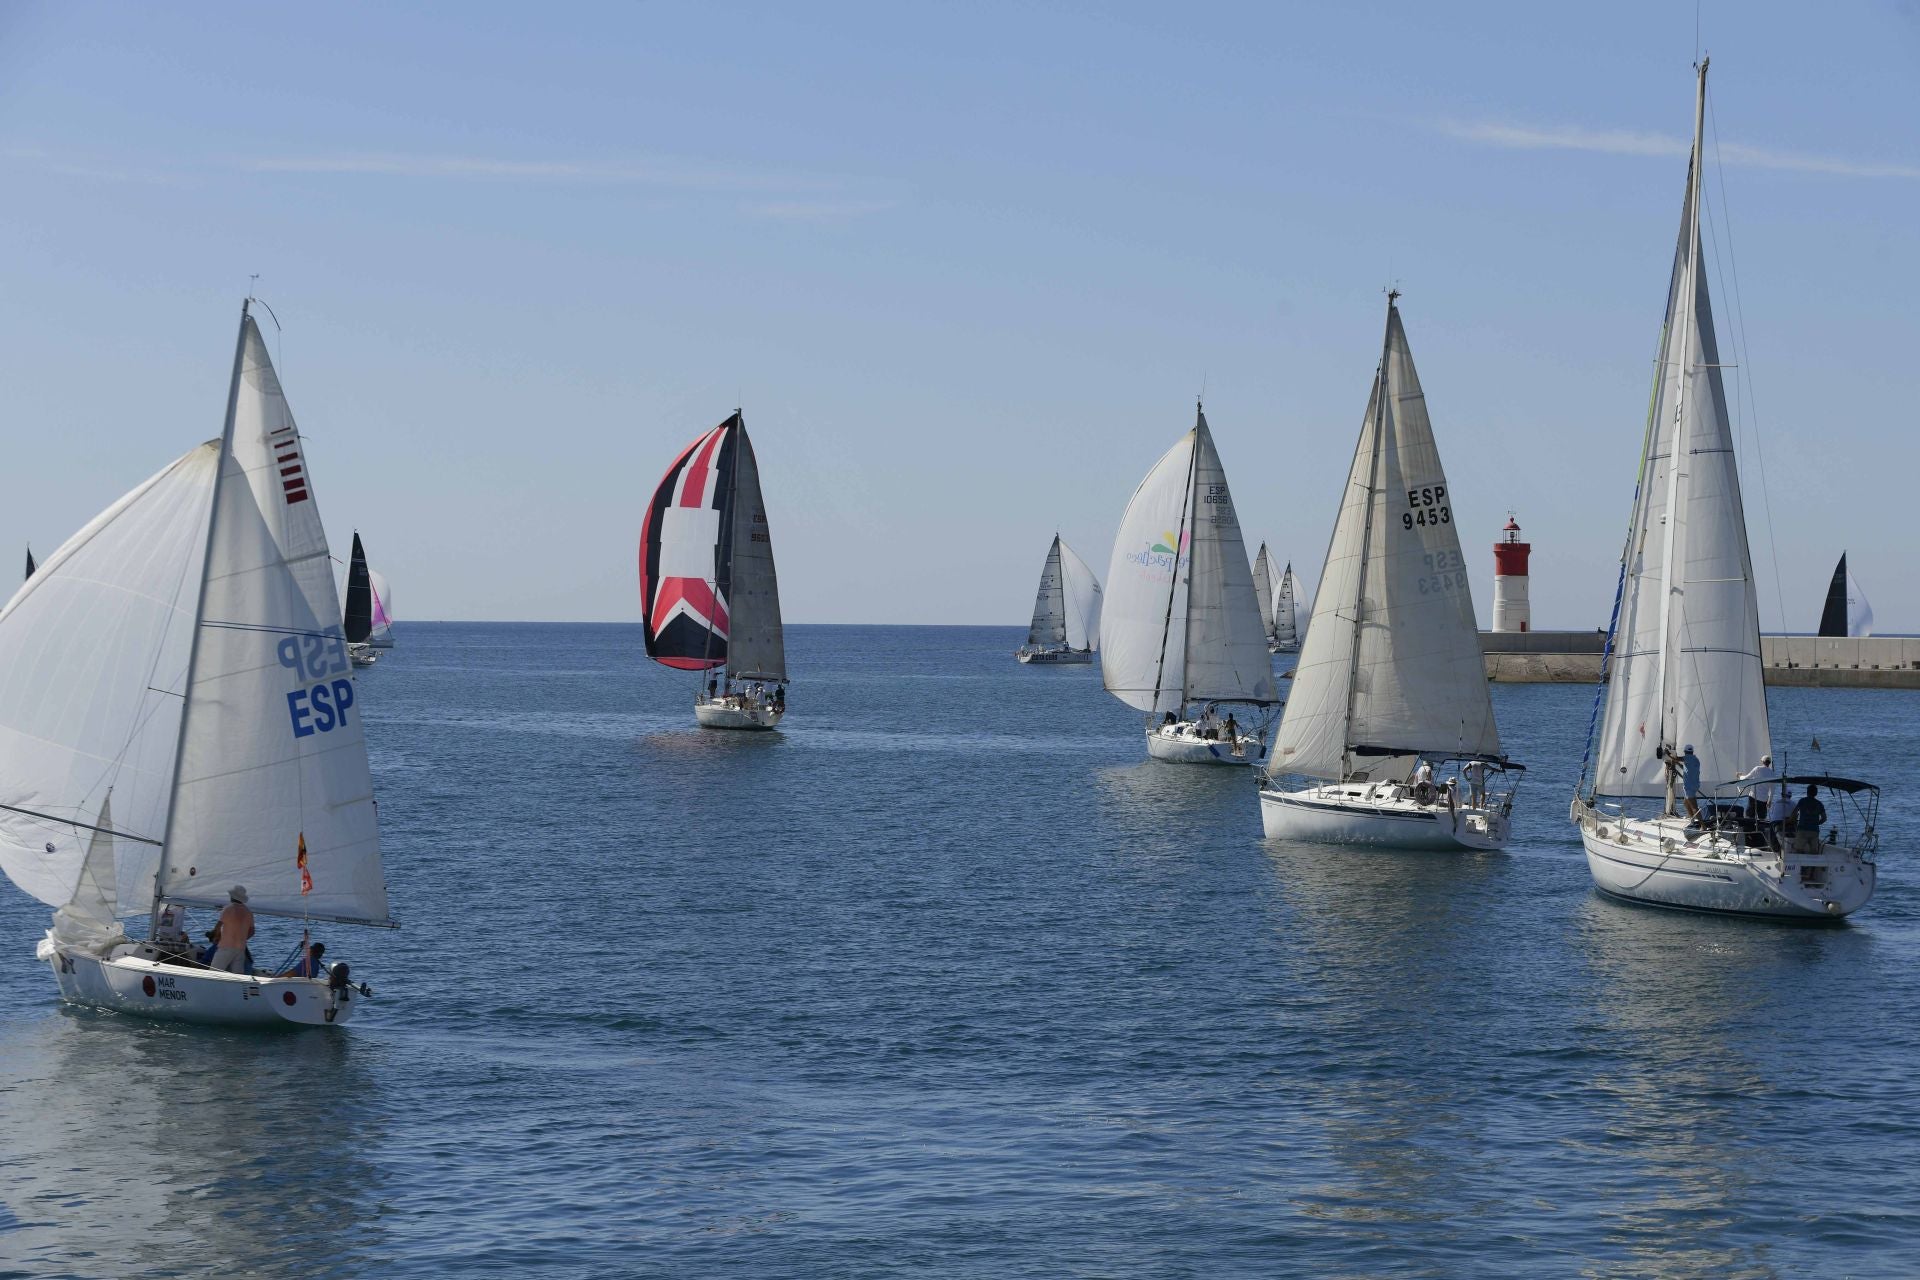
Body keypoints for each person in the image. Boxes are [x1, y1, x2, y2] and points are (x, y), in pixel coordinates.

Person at [210, 886, 255, 974]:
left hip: (226, 946)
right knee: (237, 975)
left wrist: (216, 937)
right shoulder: (248, 912)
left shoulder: (228, 909)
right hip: (240, 948)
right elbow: (252, 932)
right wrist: (242, 939)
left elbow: (218, 926)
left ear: (233, 897)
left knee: (214, 972)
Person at [1735, 754, 1780, 820]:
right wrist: (1769, 801)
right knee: (1762, 819)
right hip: (1764, 800)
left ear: (1762, 761)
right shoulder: (1772, 774)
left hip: (1753, 797)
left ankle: (1750, 826)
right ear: (1769, 763)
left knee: (1750, 817)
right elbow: (1772, 789)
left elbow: (1746, 778)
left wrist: (1739, 776)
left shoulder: (1757, 769)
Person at [1791, 784, 1827, 855]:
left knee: (1798, 851)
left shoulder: (1802, 801)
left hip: (1802, 830)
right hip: (1814, 831)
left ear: (1807, 792)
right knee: (1814, 853)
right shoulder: (1819, 804)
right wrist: (1816, 823)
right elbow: (1824, 818)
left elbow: (1794, 814)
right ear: (1816, 793)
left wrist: (1794, 823)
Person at [1677, 745, 1702, 823]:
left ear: (1685, 751)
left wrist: (1668, 754)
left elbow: (1676, 758)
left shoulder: (1687, 758)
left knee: (1694, 807)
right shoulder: (1695, 759)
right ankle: (1692, 819)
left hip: (1689, 787)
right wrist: (1678, 764)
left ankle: (1703, 825)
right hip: (1695, 785)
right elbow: (1687, 768)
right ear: (1692, 751)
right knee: (1686, 802)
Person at [1766, 785, 1793, 852]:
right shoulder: (1794, 803)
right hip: (1787, 824)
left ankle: (1774, 850)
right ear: (1790, 796)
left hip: (1775, 823)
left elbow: (1771, 815)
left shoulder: (1775, 803)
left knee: (1773, 839)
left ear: (1782, 795)